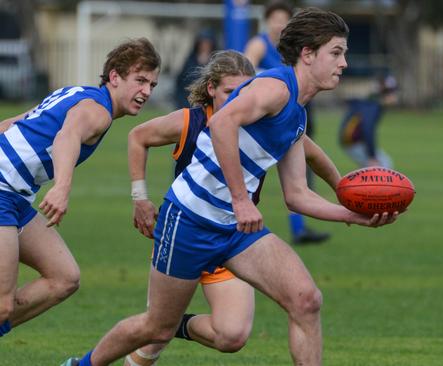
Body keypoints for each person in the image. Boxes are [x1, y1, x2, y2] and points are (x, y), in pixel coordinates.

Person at [62, 8, 398, 366]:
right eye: (336, 52)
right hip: (189, 220)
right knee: (157, 328)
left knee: (306, 300)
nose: (344, 63)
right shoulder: (275, 87)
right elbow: (222, 124)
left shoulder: (297, 114)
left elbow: (297, 196)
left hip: (235, 230)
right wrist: (241, 200)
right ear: (308, 54)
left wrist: (352, 215)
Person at [124, 50, 342, 366]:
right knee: (154, 334)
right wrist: (139, 197)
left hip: (232, 235)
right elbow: (137, 136)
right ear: (212, 89)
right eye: (230, 91)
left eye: (246, 89)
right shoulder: (191, 120)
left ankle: (176, 326)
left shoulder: (263, 120)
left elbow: (312, 153)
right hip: (186, 228)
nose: (240, 97)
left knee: (232, 336)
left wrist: (345, 191)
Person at [0, 38, 160, 339]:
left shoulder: (76, 93)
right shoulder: (98, 111)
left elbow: (14, 123)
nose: (146, 92)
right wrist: (62, 187)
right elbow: (66, 137)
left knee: (64, 276)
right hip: (2, 189)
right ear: (115, 76)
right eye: (140, 80)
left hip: (14, 196)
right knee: (2, 307)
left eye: (152, 84)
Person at [244, 0, 330, 245]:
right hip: (267, 114)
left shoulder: (293, 48)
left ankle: (299, 228)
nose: (279, 23)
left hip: (295, 110)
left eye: (284, 19)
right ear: (267, 20)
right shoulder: (259, 44)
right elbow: (245, 71)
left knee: (298, 170)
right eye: (275, 18)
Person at [339, 73, 398, 168]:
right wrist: (372, 156)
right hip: (353, 142)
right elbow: (367, 130)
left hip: (353, 141)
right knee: (384, 164)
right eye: (391, 93)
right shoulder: (373, 105)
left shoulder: (371, 102)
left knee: (373, 167)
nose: (394, 97)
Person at [174, 29, 217, 109]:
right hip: (188, 102)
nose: (204, 46)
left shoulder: (216, 61)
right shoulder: (190, 60)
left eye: (207, 43)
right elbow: (181, 82)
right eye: (202, 43)